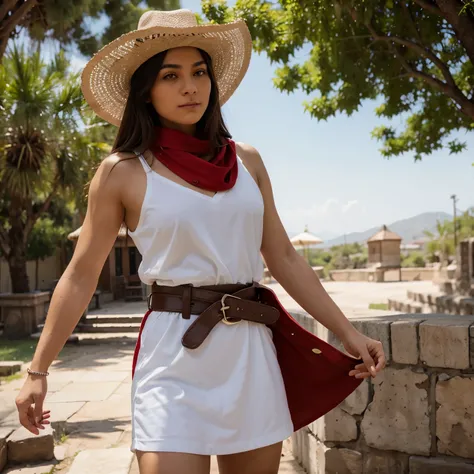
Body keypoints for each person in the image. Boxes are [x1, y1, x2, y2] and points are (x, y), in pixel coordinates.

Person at [15, 9, 386, 474]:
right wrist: (37, 371)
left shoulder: (248, 161)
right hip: (173, 356)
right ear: (146, 91)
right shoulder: (122, 172)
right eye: (170, 75)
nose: (190, 86)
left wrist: (348, 333)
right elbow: (81, 273)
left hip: (250, 355)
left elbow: (285, 257)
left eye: (199, 72)